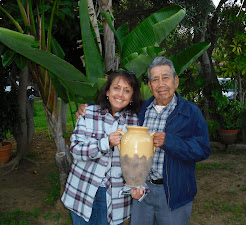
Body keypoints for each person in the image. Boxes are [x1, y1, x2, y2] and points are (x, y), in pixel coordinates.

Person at [77, 56, 211, 225]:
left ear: (176, 81)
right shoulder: (140, 110)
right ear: (149, 85)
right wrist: (87, 107)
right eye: (155, 79)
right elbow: (114, 105)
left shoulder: (190, 112)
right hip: (141, 190)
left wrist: (170, 142)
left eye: (165, 78)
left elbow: (203, 149)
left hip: (174, 192)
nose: (161, 84)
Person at [62, 70, 143, 225]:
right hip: (83, 190)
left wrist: (138, 185)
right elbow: (76, 149)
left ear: (132, 98)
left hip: (114, 195)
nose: (120, 94)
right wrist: (106, 143)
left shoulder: (133, 122)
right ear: (107, 91)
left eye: (127, 91)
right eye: (116, 88)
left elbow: (135, 160)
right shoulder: (89, 113)